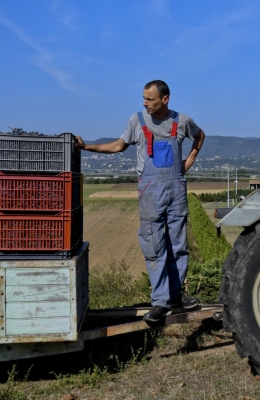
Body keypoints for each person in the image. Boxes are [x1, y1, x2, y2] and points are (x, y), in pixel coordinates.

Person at [76, 80, 206, 322]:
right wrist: (86, 147)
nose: (144, 103)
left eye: (150, 99)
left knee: (178, 246)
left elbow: (200, 137)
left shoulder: (183, 121)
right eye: (144, 98)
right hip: (150, 191)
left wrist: (190, 159)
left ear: (165, 100)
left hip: (176, 190)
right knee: (154, 246)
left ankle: (176, 298)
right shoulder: (137, 120)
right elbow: (118, 145)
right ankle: (159, 302)